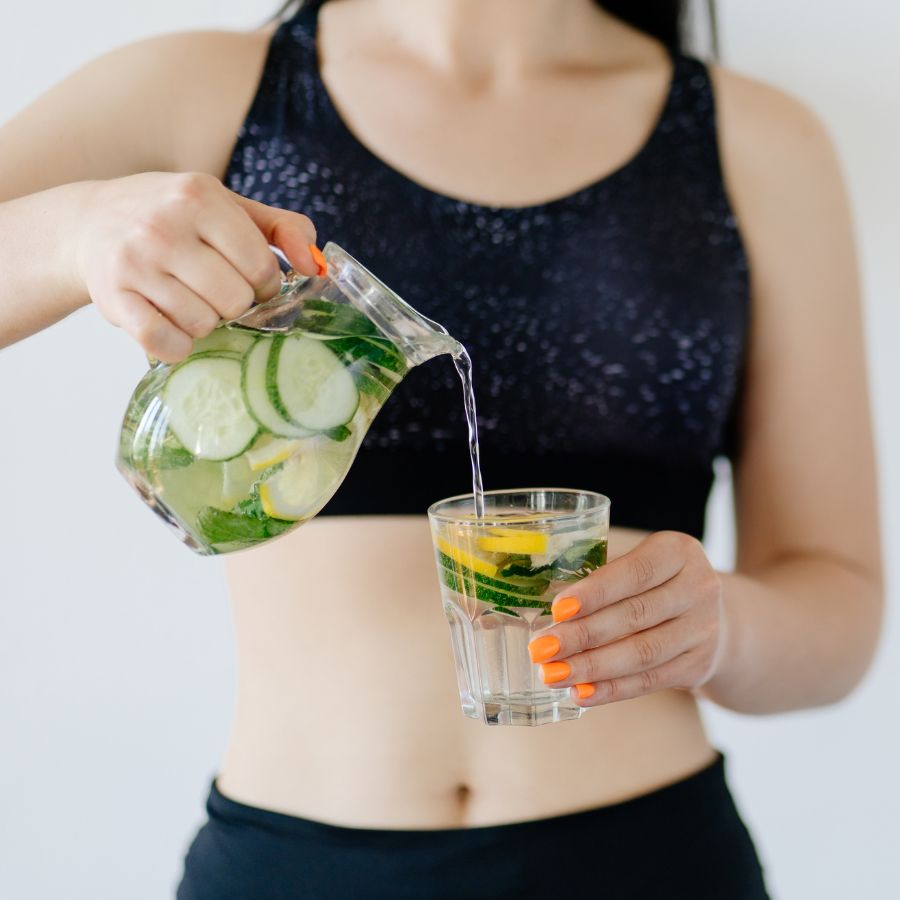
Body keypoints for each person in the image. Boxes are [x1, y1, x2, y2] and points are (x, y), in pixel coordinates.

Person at [0, 0, 883, 897]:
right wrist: (75, 230)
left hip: (648, 860)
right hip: (291, 869)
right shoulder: (206, 89)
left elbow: (837, 604)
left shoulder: (758, 142)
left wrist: (718, 628)